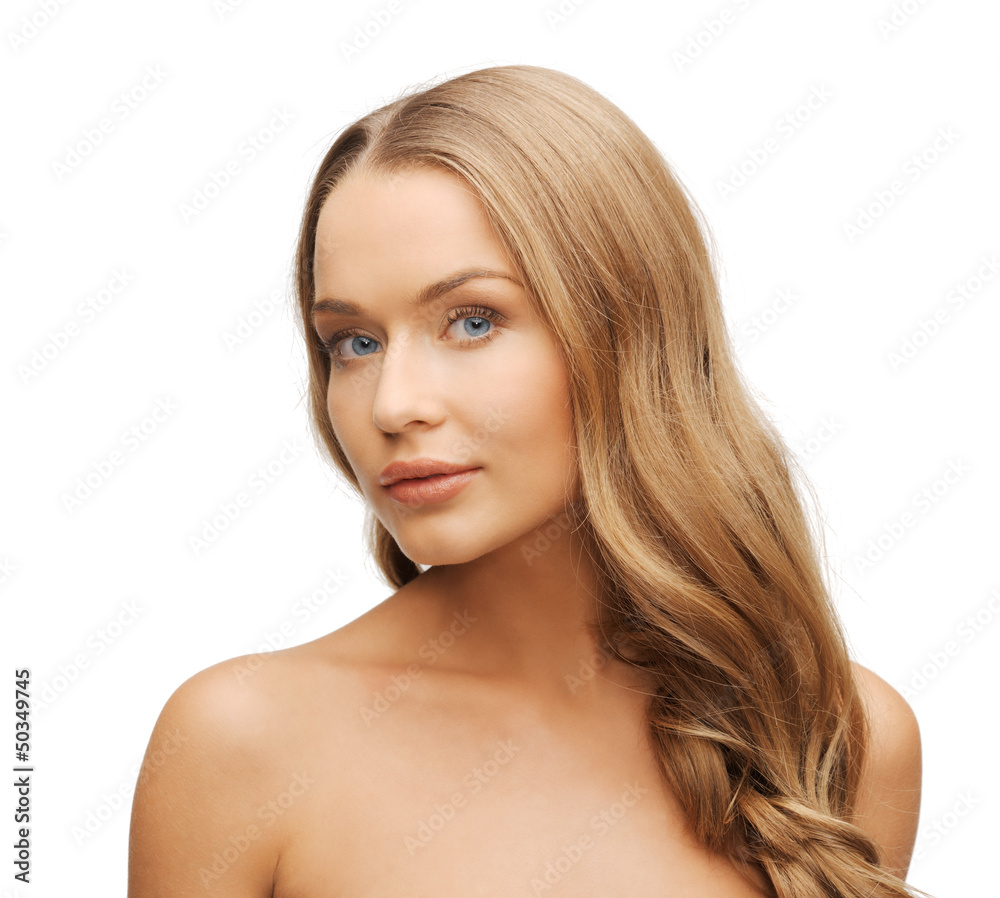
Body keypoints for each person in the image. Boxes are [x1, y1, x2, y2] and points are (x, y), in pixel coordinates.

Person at [127, 65, 925, 897]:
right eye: (354, 343)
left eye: (472, 321)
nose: (393, 405)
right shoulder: (243, 744)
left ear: (629, 332)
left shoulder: (838, 740)